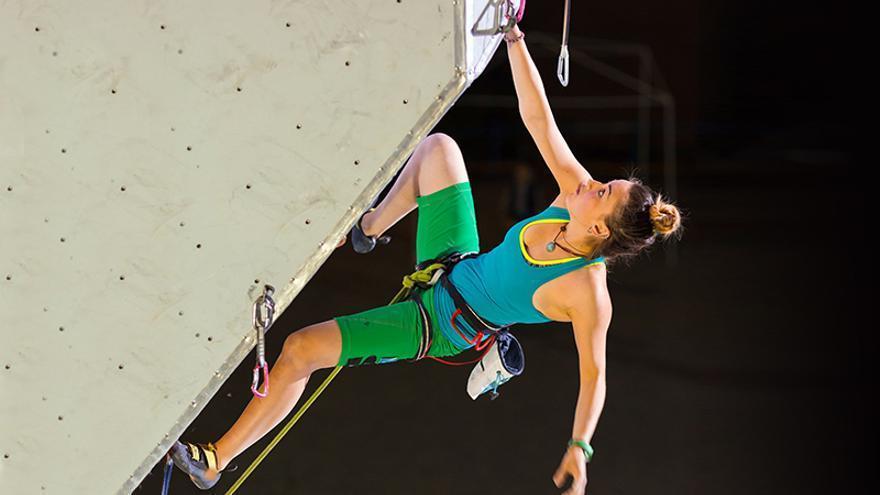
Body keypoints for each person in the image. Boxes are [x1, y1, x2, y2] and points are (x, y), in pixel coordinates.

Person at [169, 23, 682, 495]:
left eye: (603, 191)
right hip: (453, 264)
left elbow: (595, 376)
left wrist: (579, 448)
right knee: (440, 148)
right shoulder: (571, 196)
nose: (592, 182)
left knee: (302, 348)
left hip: (438, 325)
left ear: (599, 229)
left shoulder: (587, 292)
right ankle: (369, 230)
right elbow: (537, 119)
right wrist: (513, 37)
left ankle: (215, 459)